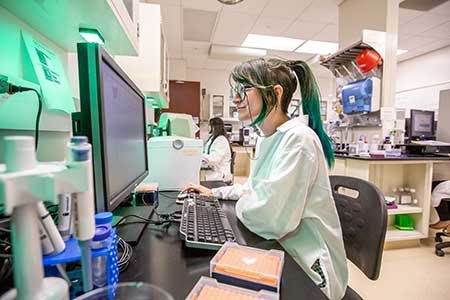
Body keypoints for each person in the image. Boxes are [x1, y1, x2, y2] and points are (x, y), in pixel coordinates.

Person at [184, 58, 348, 300]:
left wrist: (248, 200)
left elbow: (271, 219)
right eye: (235, 91)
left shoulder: (299, 140)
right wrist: (216, 193)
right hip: (282, 248)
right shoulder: (268, 137)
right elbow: (253, 188)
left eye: (243, 89)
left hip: (309, 268)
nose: (235, 99)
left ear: (276, 93)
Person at [202, 117, 232, 183]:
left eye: (209, 125)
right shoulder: (213, 138)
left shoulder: (221, 140)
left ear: (214, 127)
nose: (208, 127)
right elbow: (206, 151)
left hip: (220, 176)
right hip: (213, 172)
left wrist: (200, 156)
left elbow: (214, 159)